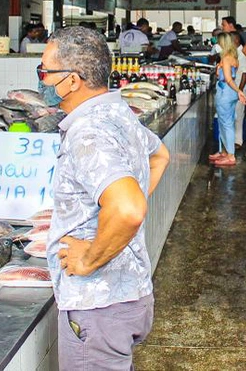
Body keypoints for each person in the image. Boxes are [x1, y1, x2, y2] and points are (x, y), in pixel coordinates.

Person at [37, 27, 170, 370]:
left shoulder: (90, 132)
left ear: (72, 80)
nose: (41, 80)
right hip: (128, 293)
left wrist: (89, 259)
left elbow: (128, 208)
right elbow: (160, 156)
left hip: (98, 304)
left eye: (44, 72)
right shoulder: (118, 113)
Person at [209, 33, 246, 167]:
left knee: (226, 124)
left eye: (218, 42)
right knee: (225, 122)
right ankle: (223, 151)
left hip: (225, 92)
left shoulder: (226, 58)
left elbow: (228, 79)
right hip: (230, 94)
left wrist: (239, 91)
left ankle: (230, 155)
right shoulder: (233, 57)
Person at [233, 32, 246, 151]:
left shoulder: (242, 54)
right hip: (236, 87)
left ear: (236, 40)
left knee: (238, 115)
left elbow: (245, 73)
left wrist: (240, 90)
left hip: (240, 87)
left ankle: (238, 141)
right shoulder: (235, 52)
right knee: (235, 115)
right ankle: (233, 140)